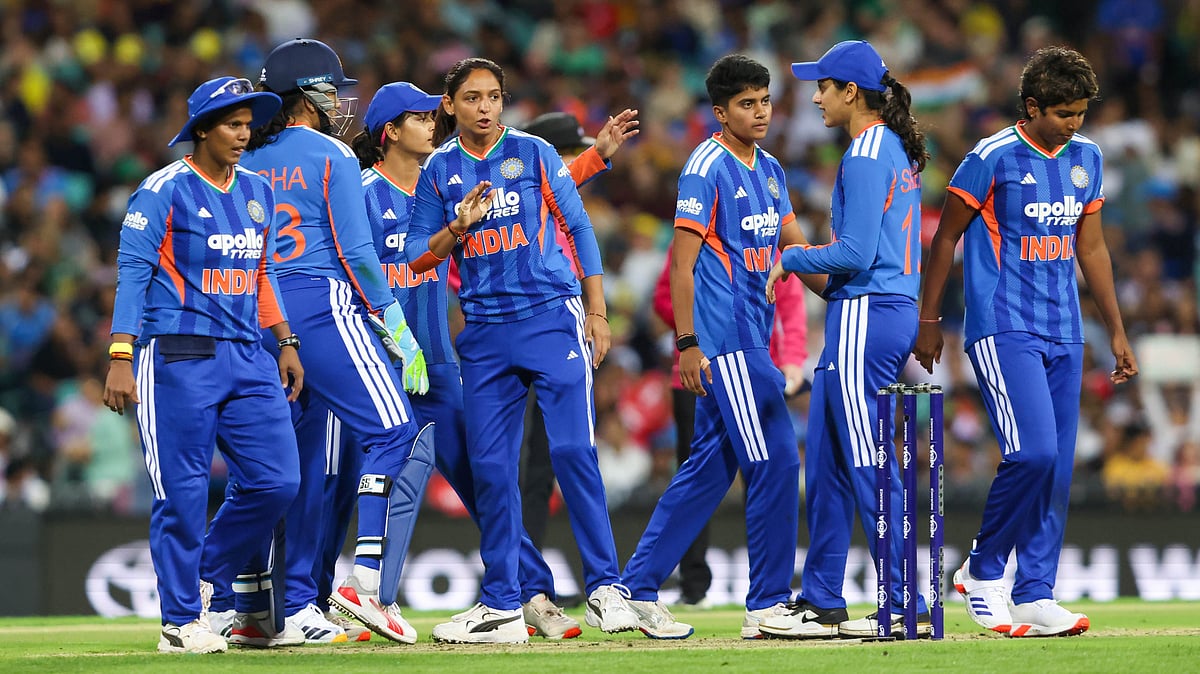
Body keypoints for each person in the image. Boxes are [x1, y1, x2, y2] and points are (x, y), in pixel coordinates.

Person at [407, 57, 639, 644]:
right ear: (451, 104)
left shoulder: (533, 153)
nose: (485, 107)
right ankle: (503, 605)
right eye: (473, 97)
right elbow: (415, 255)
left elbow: (580, 229)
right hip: (483, 334)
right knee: (489, 469)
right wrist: (457, 228)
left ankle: (607, 588)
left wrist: (598, 310)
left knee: (572, 452)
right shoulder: (437, 170)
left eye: (494, 96)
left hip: (549, 320)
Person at [912, 45, 1138, 637]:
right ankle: (982, 572)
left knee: (1058, 467)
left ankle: (1036, 593)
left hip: (1065, 327)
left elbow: (1090, 247)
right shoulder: (990, 157)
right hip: (1003, 326)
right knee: (1033, 452)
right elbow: (945, 241)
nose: (1076, 124)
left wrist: (1116, 329)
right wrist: (930, 320)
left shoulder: (1087, 156)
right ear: (1032, 106)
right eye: (1065, 113)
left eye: (1083, 113)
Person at [347, 82, 585, 640]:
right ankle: (360, 600)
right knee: (373, 481)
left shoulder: (442, 188)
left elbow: (542, 194)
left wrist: (595, 156)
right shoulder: (359, 194)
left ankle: (530, 594)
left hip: (437, 360)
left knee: (486, 480)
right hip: (376, 357)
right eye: (420, 118)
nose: (434, 124)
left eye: (434, 115)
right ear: (389, 132)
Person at [234, 38, 430, 645]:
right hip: (319, 305)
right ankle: (363, 584)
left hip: (254, 312)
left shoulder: (244, 159)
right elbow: (357, 252)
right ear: (308, 94)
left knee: (286, 470)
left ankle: (265, 609)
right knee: (394, 431)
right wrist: (397, 327)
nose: (340, 102)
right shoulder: (332, 155)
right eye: (333, 90)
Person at [102, 76, 300, 654]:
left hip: (249, 356)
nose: (244, 135)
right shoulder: (162, 189)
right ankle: (179, 620)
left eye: (247, 125)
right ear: (202, 130)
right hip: (178, 355)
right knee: (182, 492)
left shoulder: (258, 191)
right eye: (233, 125)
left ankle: (207, 583)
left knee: (277, 481)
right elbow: (133, 275)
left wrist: (284, 339)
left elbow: (260, 272)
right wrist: (120, 354)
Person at [618, 53, 807, 640]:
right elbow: (681, 265)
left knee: (705, 472)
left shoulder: (772, 170)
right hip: (728, 345)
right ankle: (769, 605)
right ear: (721, 112)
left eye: (765, 101)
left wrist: (855, 275)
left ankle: (632, 589)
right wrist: (688, 344)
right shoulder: (705, 166)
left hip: (756, 343)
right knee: (776, 461)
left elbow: (797, 251)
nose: (760, 113)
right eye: (746, 104)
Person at [758, 39, 931, 639]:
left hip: (868, 315)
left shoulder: (864, 152)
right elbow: (872, 254)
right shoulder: (892, 149)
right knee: (830, 460)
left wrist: (794, 254)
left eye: (824, 86)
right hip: (880, 309)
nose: (815, 96)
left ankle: (905, 597)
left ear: (851, 92)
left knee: (864, 458)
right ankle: (824, 599)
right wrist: (817, 278)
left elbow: (855, 254)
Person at [649, 244, 808, 609]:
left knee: (735, 473)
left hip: (751, 369)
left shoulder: (762, 236)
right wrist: (701, 326)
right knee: (704, 472)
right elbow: (665, 293)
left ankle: (645, 583)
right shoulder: (692, 237)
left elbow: (790, 299)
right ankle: (697, 584)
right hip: (698, 371)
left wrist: (792, 360)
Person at [517, 110, 639, 558]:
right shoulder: (527, 195)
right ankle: (521, 577)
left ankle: (552, 577)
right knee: (524, 466)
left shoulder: (562, 213)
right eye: (574, 150)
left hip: (561, 331)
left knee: (555, 459)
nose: (579, 160)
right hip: (513, 332)